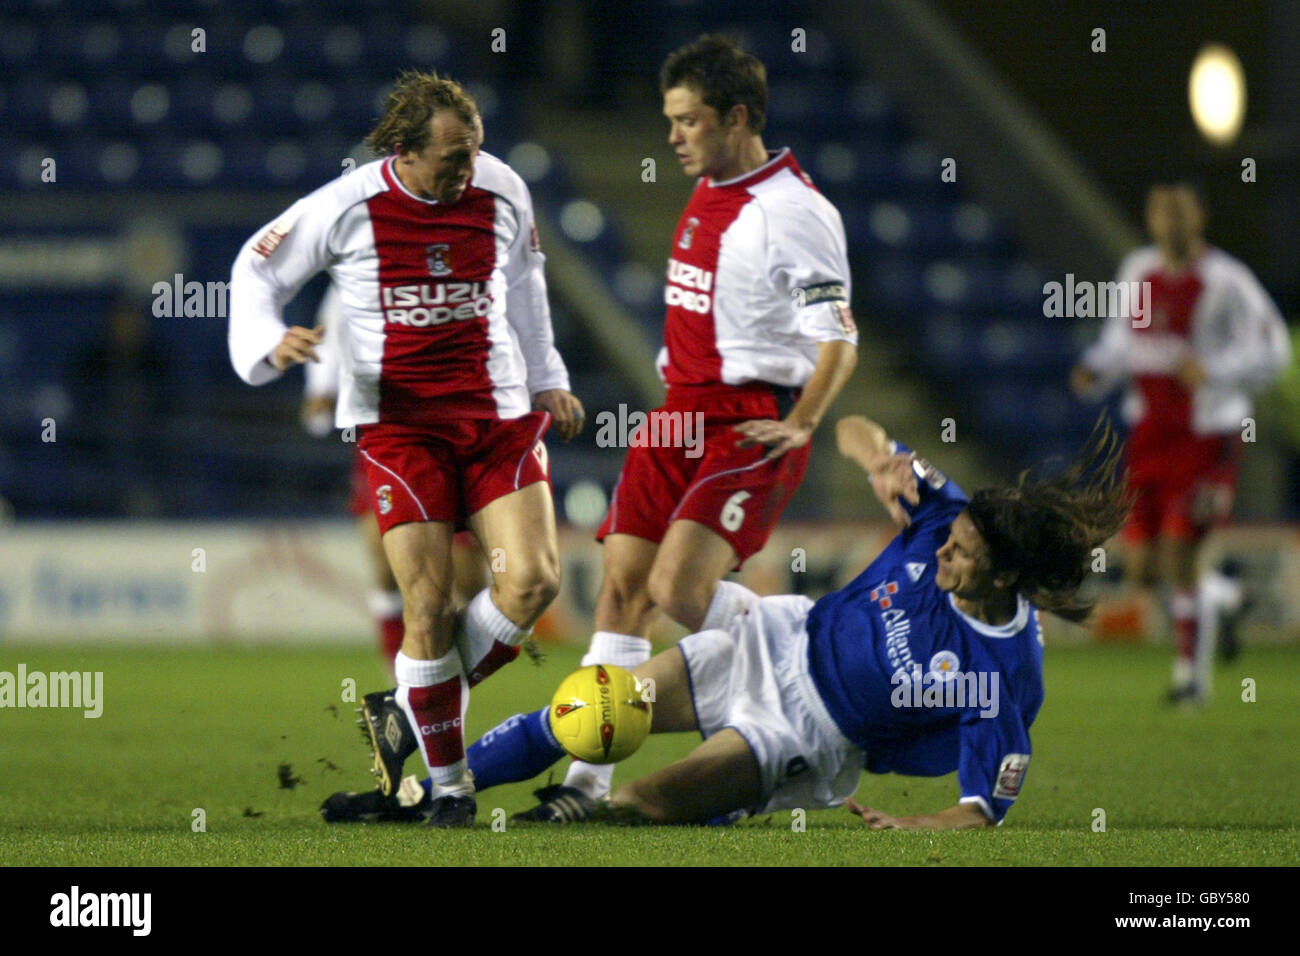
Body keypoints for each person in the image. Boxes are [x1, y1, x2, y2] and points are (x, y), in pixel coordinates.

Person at [323, 413, 1129, 828]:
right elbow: (856, 430)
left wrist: (918, 825)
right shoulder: (943, 512)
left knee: (638, 806)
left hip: (802, 738)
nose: (944, 555)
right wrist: (876, 453)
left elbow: (981, 809)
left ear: (1010, 577)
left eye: (961, 557)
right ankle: (428, 793)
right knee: (587, 712)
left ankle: (732, 797)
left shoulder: (1005, 675)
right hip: (773, 639)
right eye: (947, 543)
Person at [514, 33, 858, 820]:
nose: (672, 136)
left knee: (677, 588)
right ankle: (583, 787)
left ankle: (802, 675)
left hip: (750, 417)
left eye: (688, 120)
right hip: (678, 413)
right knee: (622, 593)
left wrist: (803, 424)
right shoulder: (709, 186)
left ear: (737, 117)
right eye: (669, 119)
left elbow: (840, 335)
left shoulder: (795, 212)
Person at [228, 70, 584, 827]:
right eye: (453, 158)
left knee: (533, 582)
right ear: (402, 150)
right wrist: (267, 339)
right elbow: (256, 267)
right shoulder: (344, 206)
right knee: (426, 605)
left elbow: (527, 282)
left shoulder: (503, 189)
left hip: (498, 414)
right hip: (402, 427)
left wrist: (548, 376)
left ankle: (411, 705)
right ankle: (446, 788)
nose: (468, 170)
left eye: (475, 151)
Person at [1071, 182, 1288, 704]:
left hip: (1204, 437)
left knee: (1181, 553)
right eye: (1160, 211)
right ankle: (1225, 599)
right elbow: (1123, 340)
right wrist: (1096, 370)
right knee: (1144, 571)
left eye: (1180, 211)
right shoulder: (1138, 271)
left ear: (1199, 218)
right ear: (1149, 219)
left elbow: (1274, 347)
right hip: (1149, 435)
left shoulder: (1228, 280)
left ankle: (1191, 679)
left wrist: (1215, 370)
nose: (1170, 220)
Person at [301, 282, 488, 677]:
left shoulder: (461, 258)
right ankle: (400, 671)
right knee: (385, 561)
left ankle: (463, 662)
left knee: (468, 579)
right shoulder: (364, 262)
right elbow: (335, 324)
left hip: (458, 423)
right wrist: (321, 388)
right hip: (389, 425)